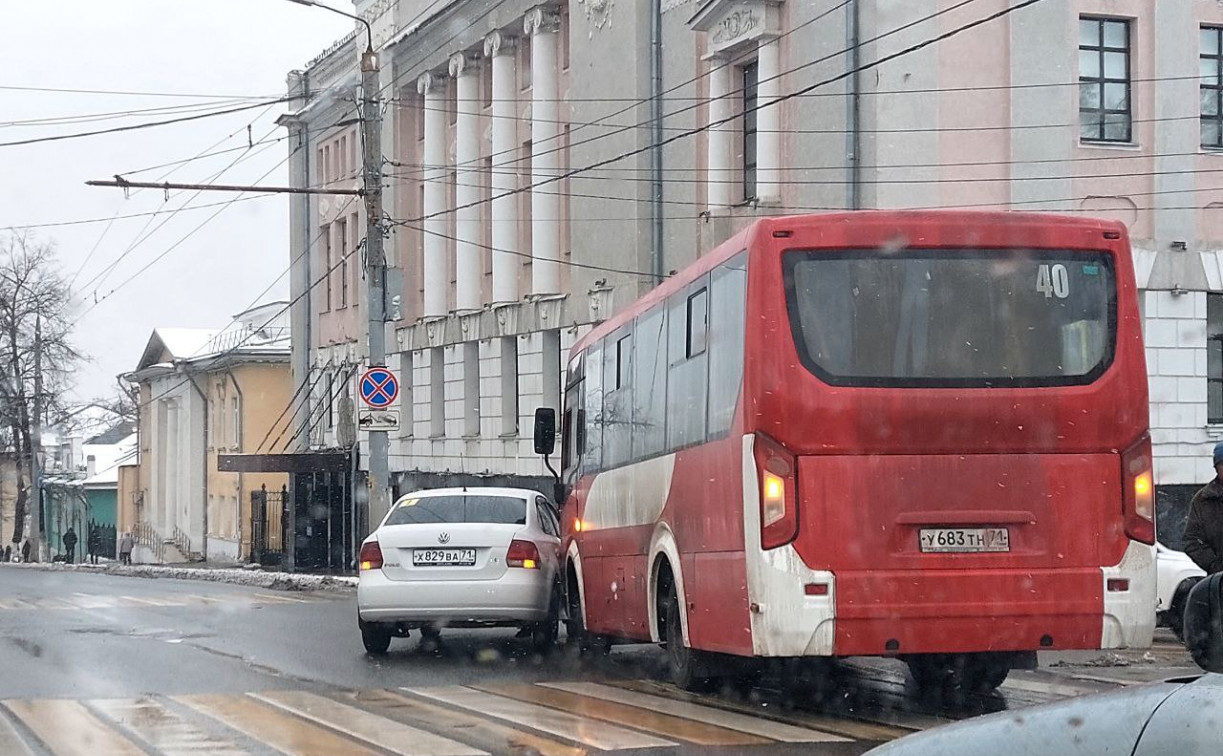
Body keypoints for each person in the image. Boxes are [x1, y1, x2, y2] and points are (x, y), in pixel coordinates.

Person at [1184, 442, 1223, 575]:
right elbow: (1191, 541)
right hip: (1219, 581)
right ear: (1216, 468)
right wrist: (1215, 565)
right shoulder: (1202, 500)